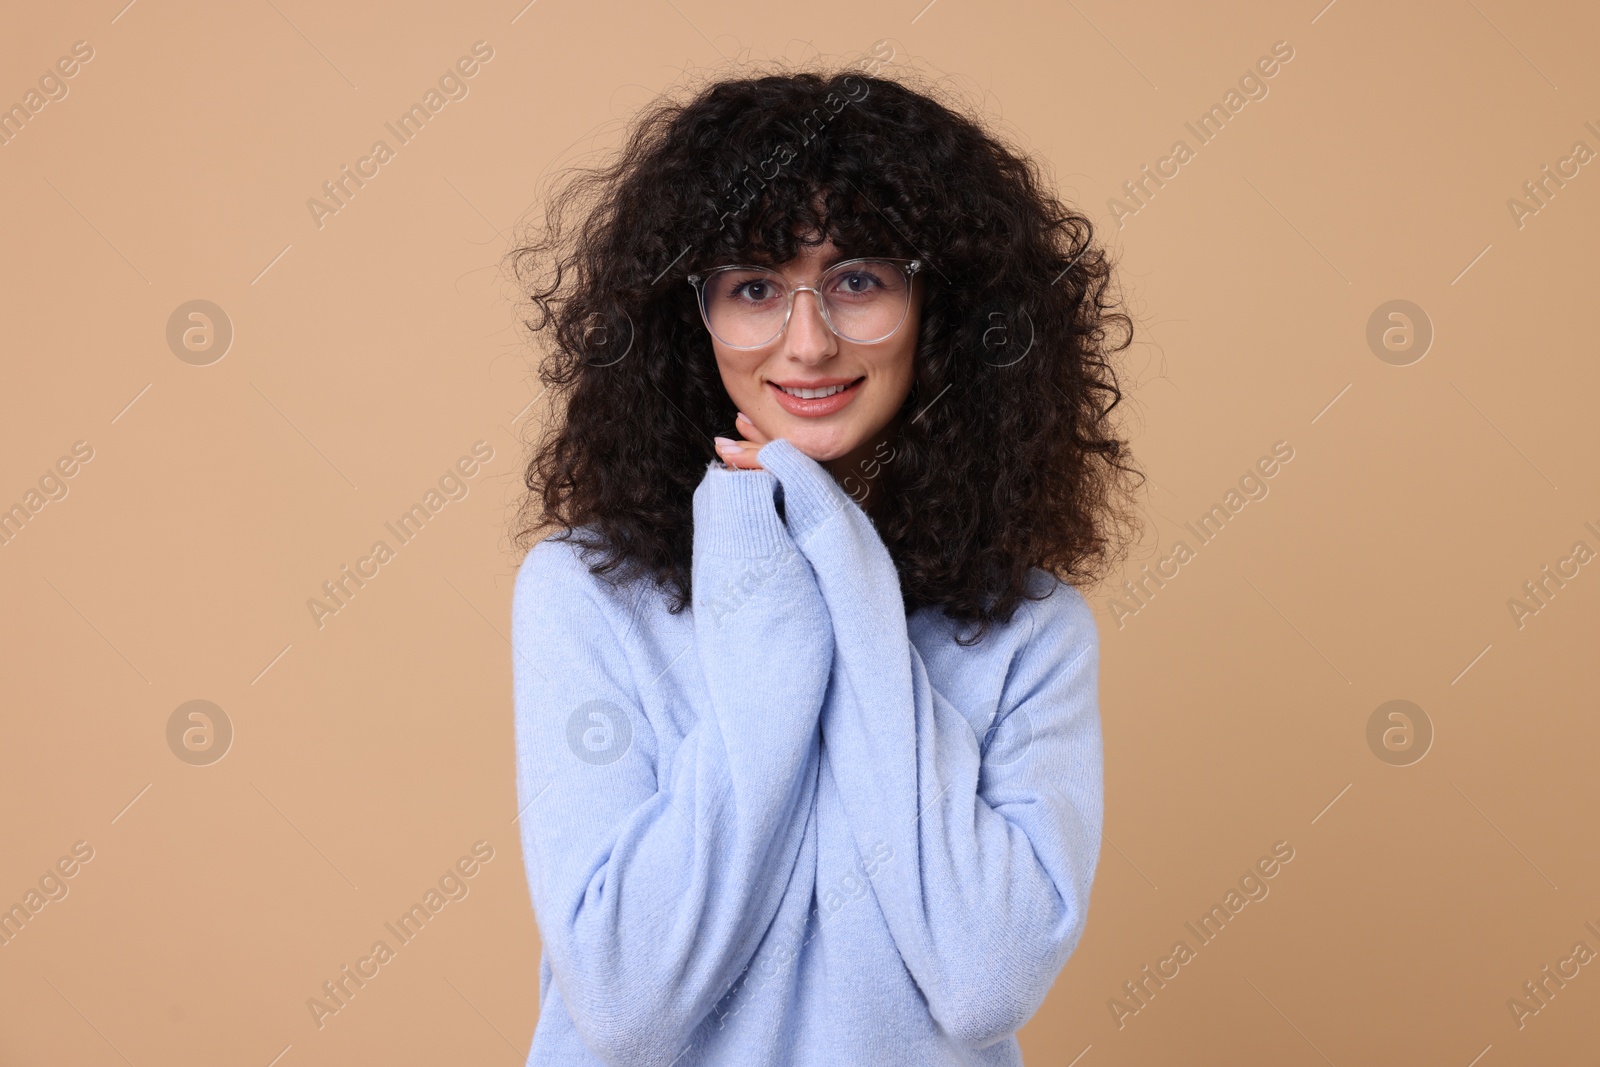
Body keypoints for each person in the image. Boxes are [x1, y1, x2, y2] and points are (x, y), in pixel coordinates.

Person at [506, 62, 1141, 1066]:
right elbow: (629, 1000)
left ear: (942, 308)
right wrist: (774, 570)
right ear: (691, 315)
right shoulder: (585, 596)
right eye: (754, 286)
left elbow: (983, 979)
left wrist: (845, 568)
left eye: (858, 280)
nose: (807, 342)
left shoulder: (1030, 628)